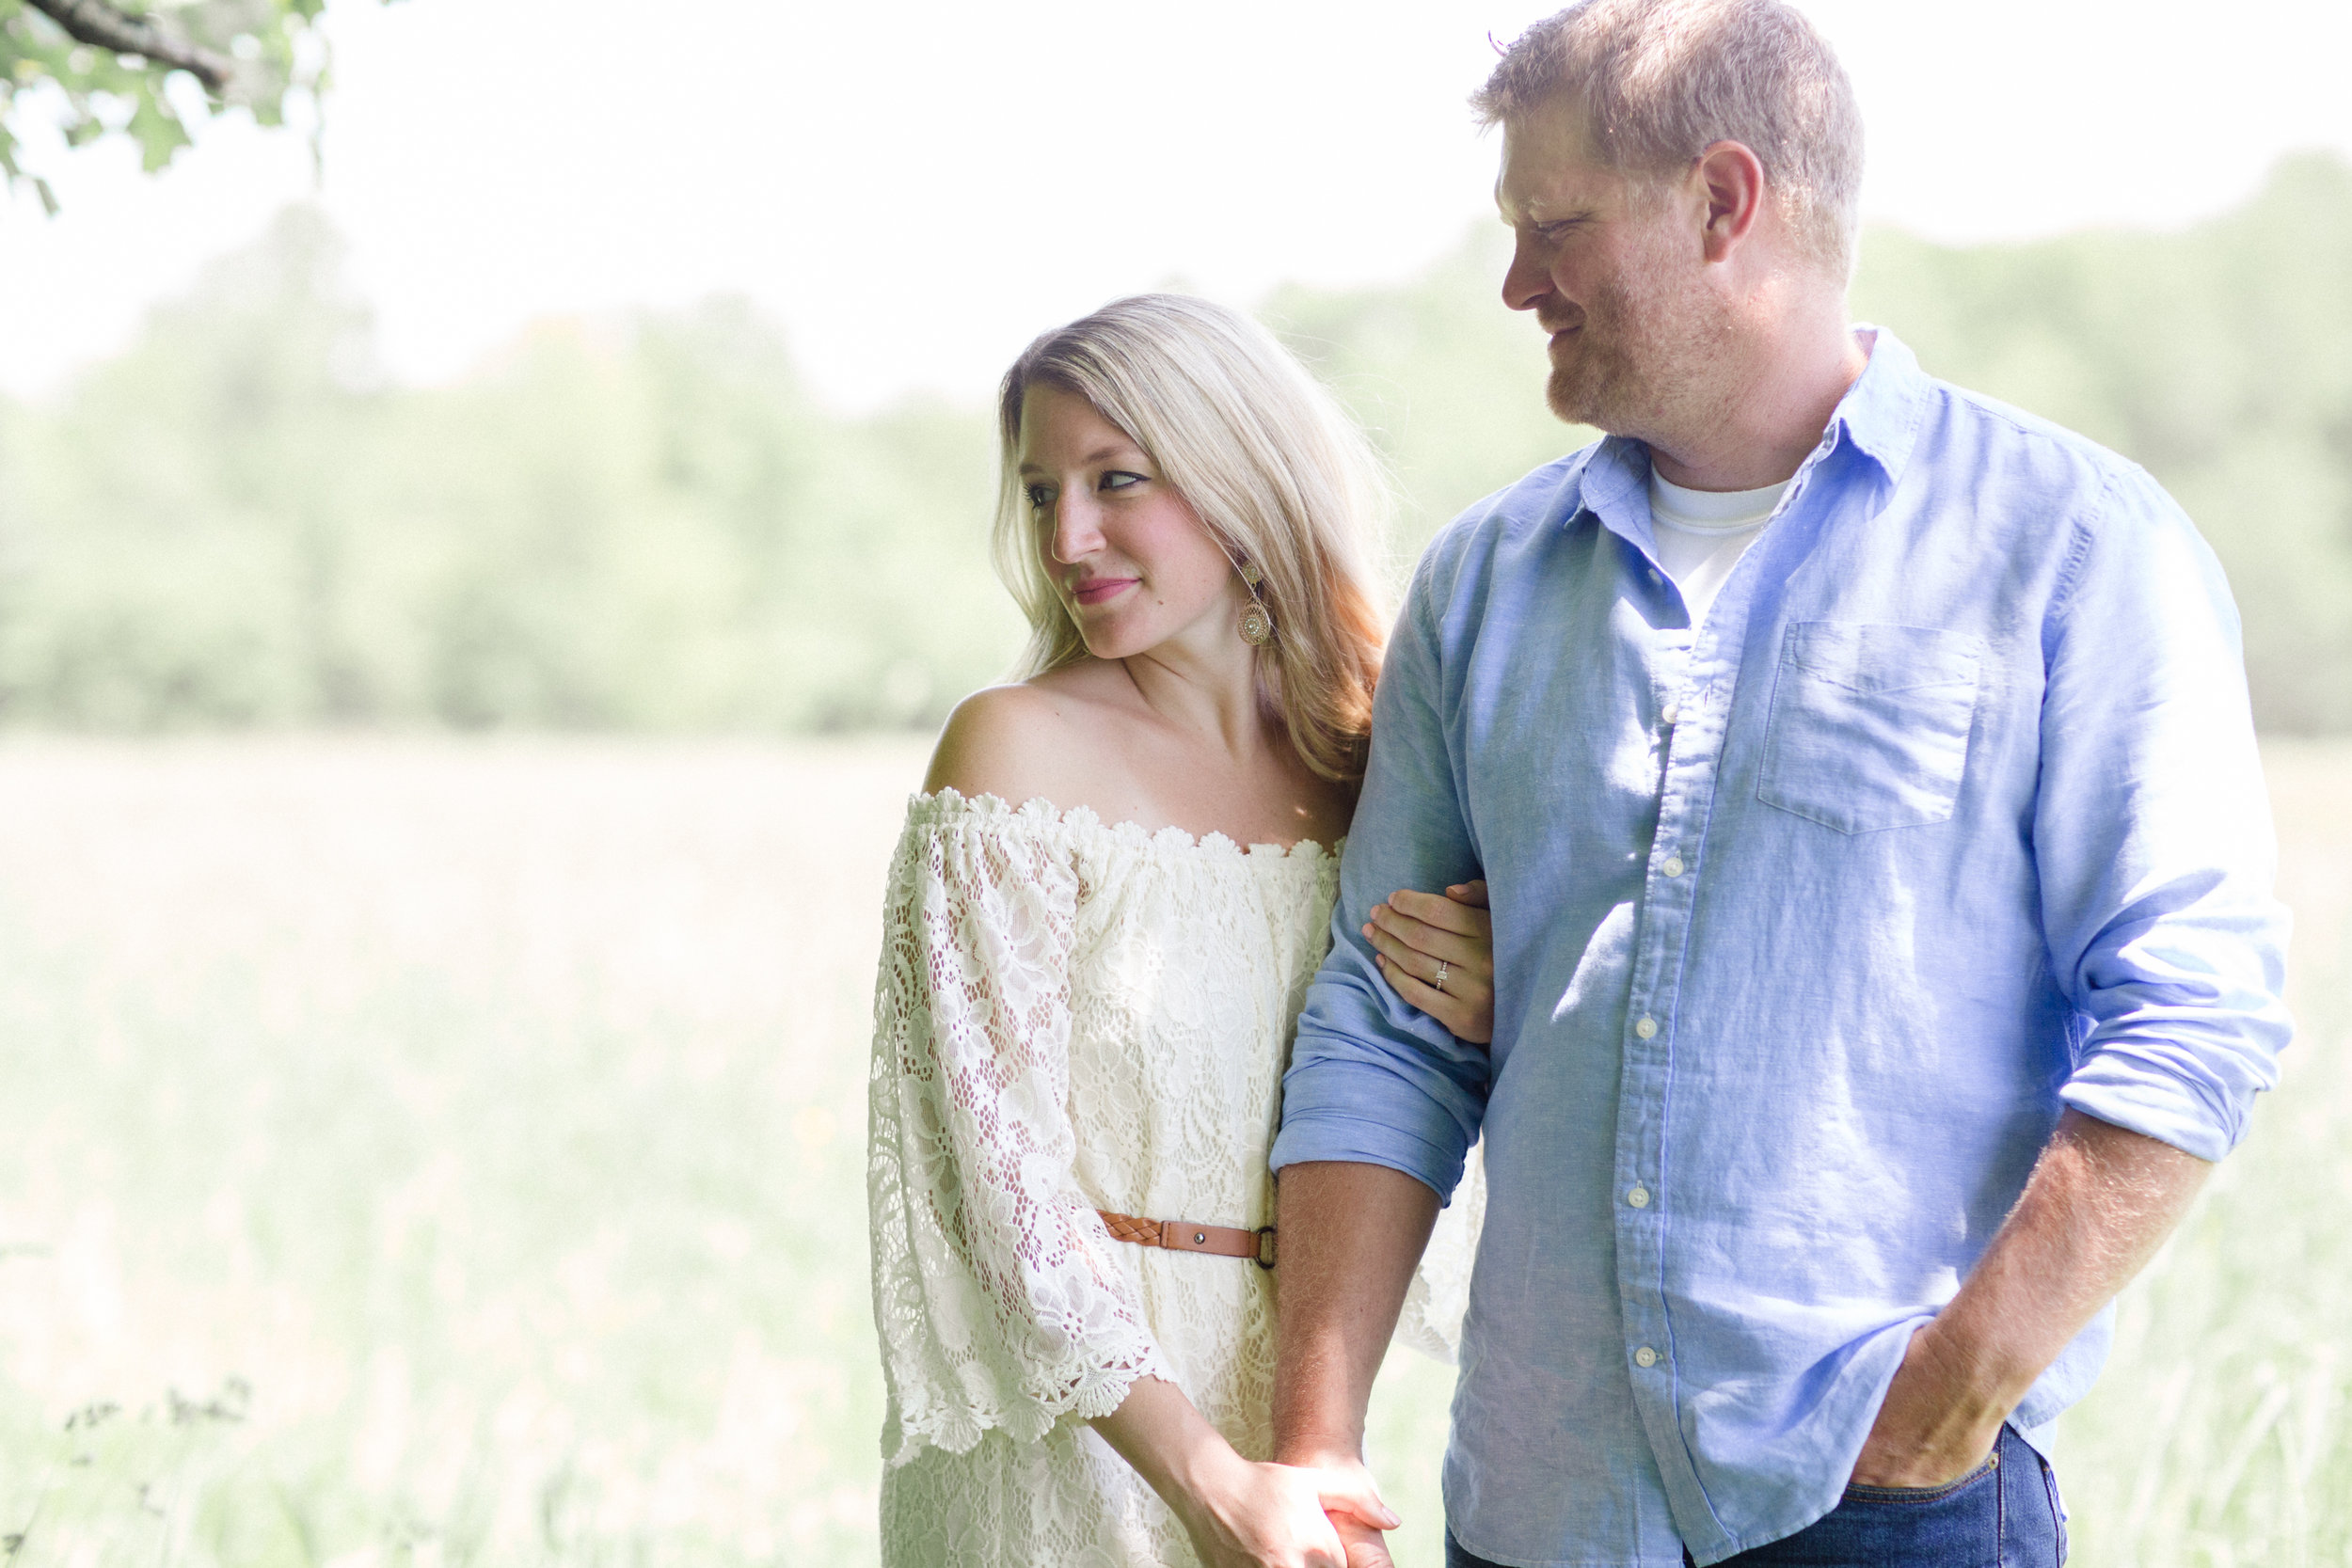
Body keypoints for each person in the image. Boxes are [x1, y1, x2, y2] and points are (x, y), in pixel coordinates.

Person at [1265, 4, 2295, 1567]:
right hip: (1540, 1508)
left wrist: (1949, 1400)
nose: (1517, 283)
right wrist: (1317, 1446)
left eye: (1556, 228)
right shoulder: (1481, 584)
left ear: (1725, 202)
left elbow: (2194, 1010)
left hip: (1892, 1507)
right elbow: (1387, 1027)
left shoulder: (2077, 550)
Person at [866, 293, 1495, 1568]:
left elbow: (1451, 1100)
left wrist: (1497, 1010)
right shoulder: (1016, 754)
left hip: (1317, 1410)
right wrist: (1211, 1484)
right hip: (1078, 1450)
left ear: (1238, 480)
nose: (1069, 536)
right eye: (1042, 493)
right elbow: (998, 1194)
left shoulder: (1382, 763)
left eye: (1118, 481)